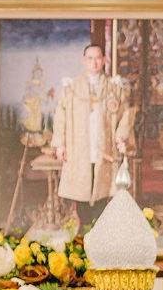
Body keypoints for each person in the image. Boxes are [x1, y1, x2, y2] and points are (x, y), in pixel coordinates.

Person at [50, 40, 135, 230]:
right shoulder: (71, 87)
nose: (94, 63)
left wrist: (121, 136)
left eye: (98, 58)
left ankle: (101, 235)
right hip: (79, 148)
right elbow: (60, 116)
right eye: (90, 58)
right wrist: (60, 144)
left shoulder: (114, 88)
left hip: (103, 149)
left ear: (104, 60)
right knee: (81, 193)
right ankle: (83, 233)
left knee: (103, 193)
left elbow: (125, 115)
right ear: (84, 60)